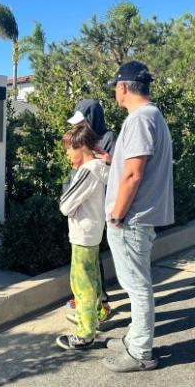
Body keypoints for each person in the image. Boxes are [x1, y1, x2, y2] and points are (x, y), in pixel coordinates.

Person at [101, 61, 174, 372]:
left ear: (122, 88)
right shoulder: (151, 116)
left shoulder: (140, 120)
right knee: (136, 282)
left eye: (114, 90)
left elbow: (134, 174)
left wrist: (117, 216)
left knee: (136, 285)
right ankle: (135, 337)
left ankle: (141, 351)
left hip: (131, 219)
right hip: (138, 218)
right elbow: (131, 165)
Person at [56, 121, 110, 350]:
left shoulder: (87, 171)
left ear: (82, 147)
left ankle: (85, 334)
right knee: (93, 279)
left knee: (82, 284)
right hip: (93, 231)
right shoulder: (102, 168)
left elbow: (65, 205)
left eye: (69, 148)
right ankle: (95, 316)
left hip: (83, 235)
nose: (67, 153)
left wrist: (68, 203)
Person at [65, 99, 115, 319]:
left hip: (94, 207)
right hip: (80, 205)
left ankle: (98, 304)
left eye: (82, 121)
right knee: (86, 262)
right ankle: (91, 301)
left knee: (89, 262)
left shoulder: (108, 138)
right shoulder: (83, 139)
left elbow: (110, 170)